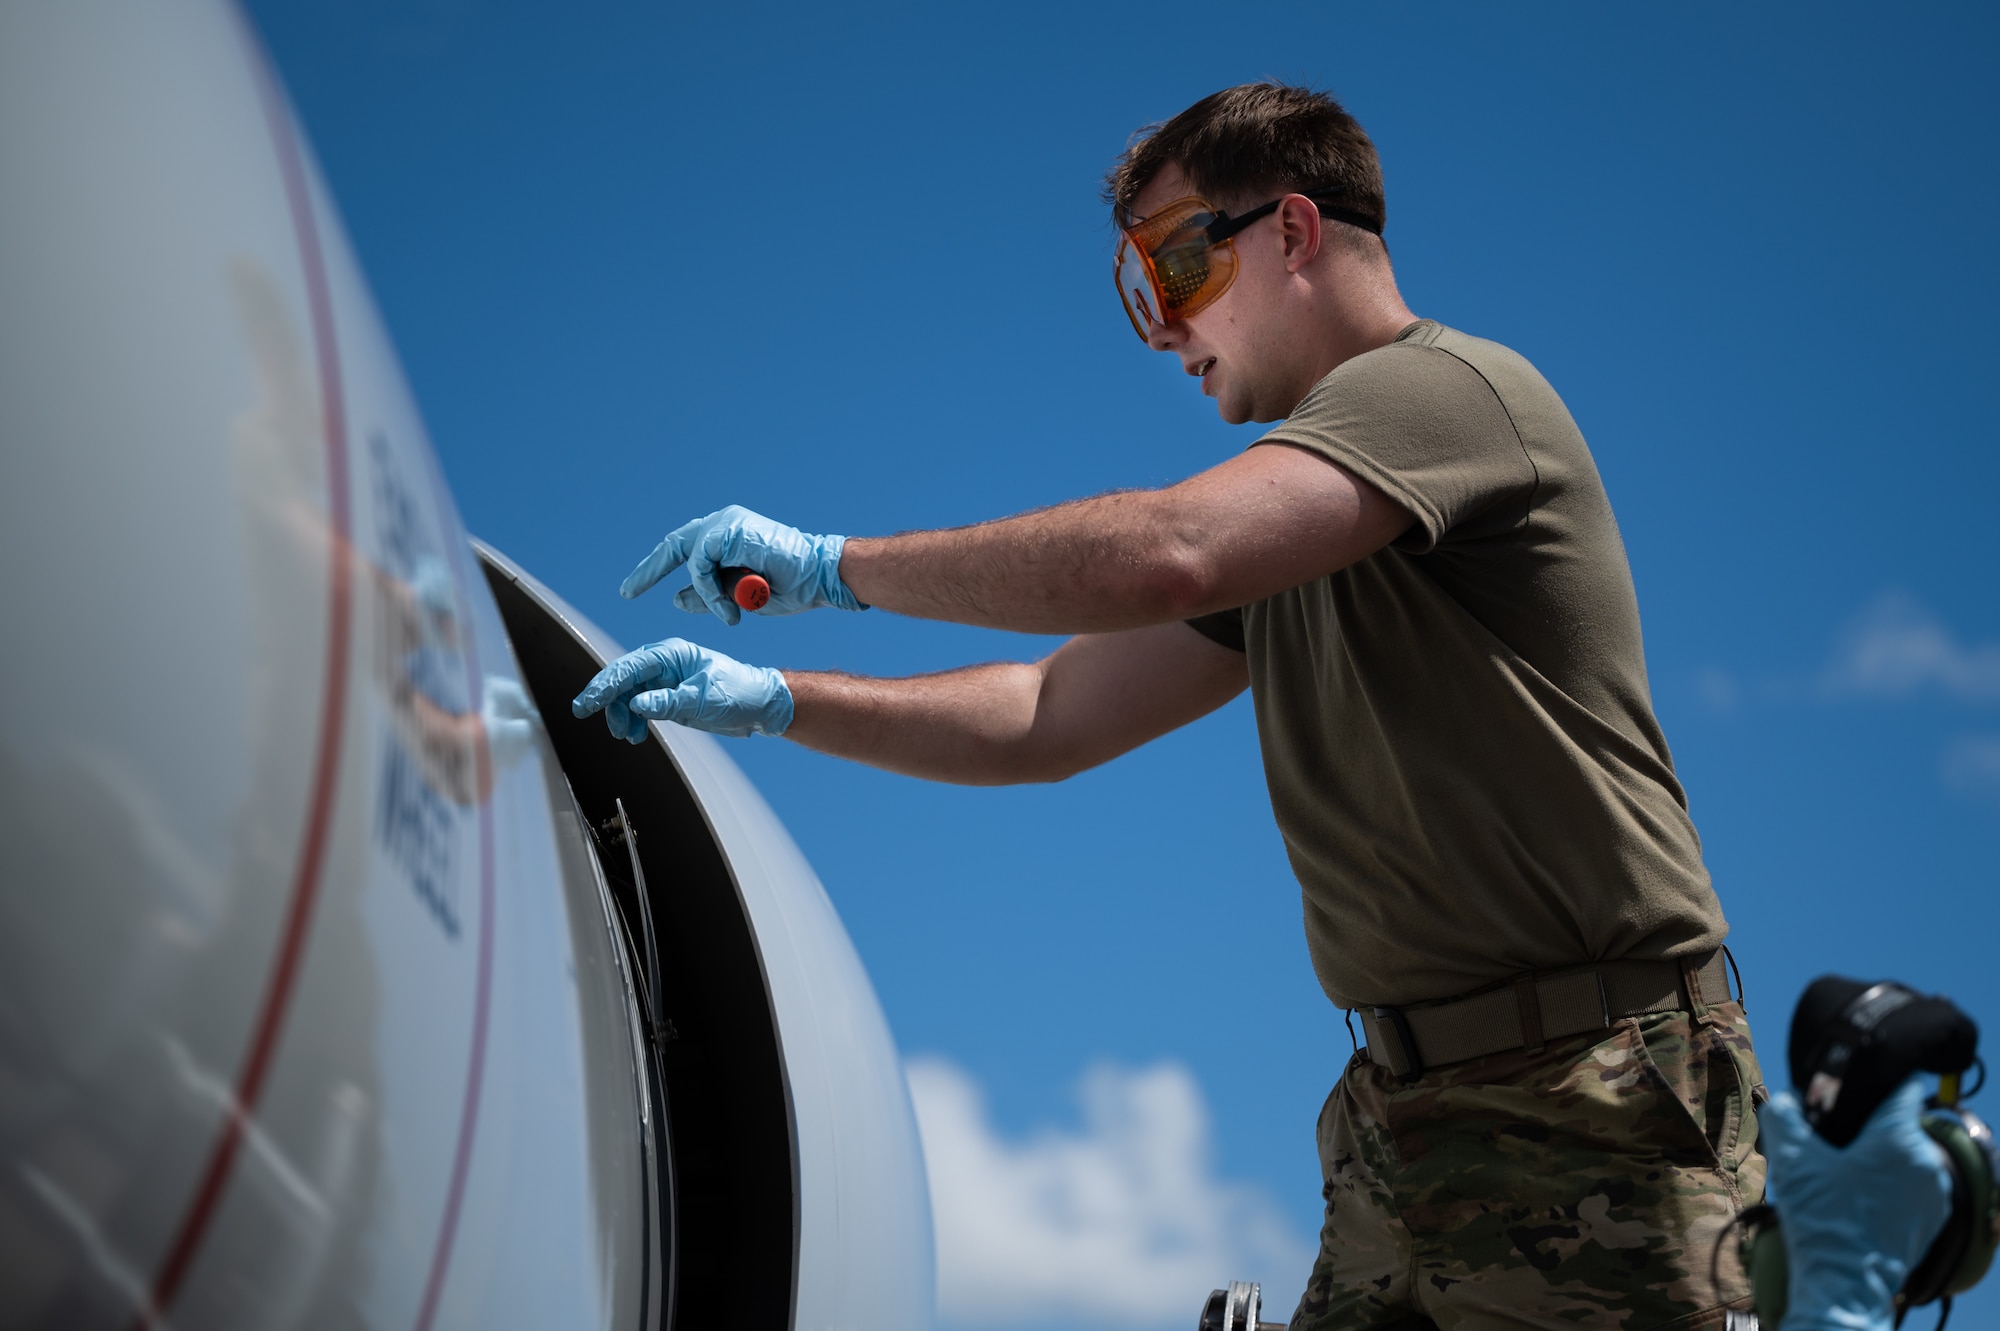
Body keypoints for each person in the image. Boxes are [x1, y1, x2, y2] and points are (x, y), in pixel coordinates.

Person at [575, 83, 1766, 1329]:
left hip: (1598, 1101)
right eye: (1137, 288)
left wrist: (833, 568)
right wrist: (772, 700)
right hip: (1403, 1124)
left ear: (1294, 232)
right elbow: (1046, 713)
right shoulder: (1300, 530)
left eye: (1176, 268)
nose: (1161, 333)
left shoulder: (1446, 395)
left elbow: (1170, 550)